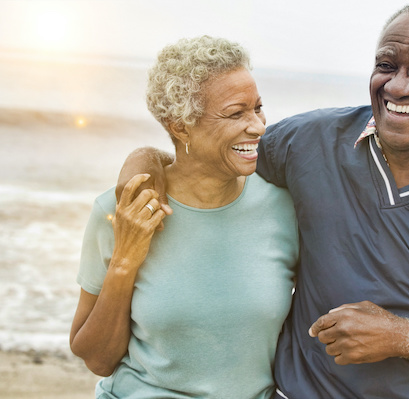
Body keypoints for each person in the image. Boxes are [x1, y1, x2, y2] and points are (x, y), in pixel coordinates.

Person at [117, 2, 409, 398]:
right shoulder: (312, 141)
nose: (399, 86)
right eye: (386, 65)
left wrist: (401, 336)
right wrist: (143, 163)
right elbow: (213, 156)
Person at [70, 36, 299, 398]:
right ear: (179, 125)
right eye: (236, 112)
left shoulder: (284, 210)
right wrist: (125, 260)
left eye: (258, 108)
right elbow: (97, 359)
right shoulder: (120, 212)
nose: (257, 126)